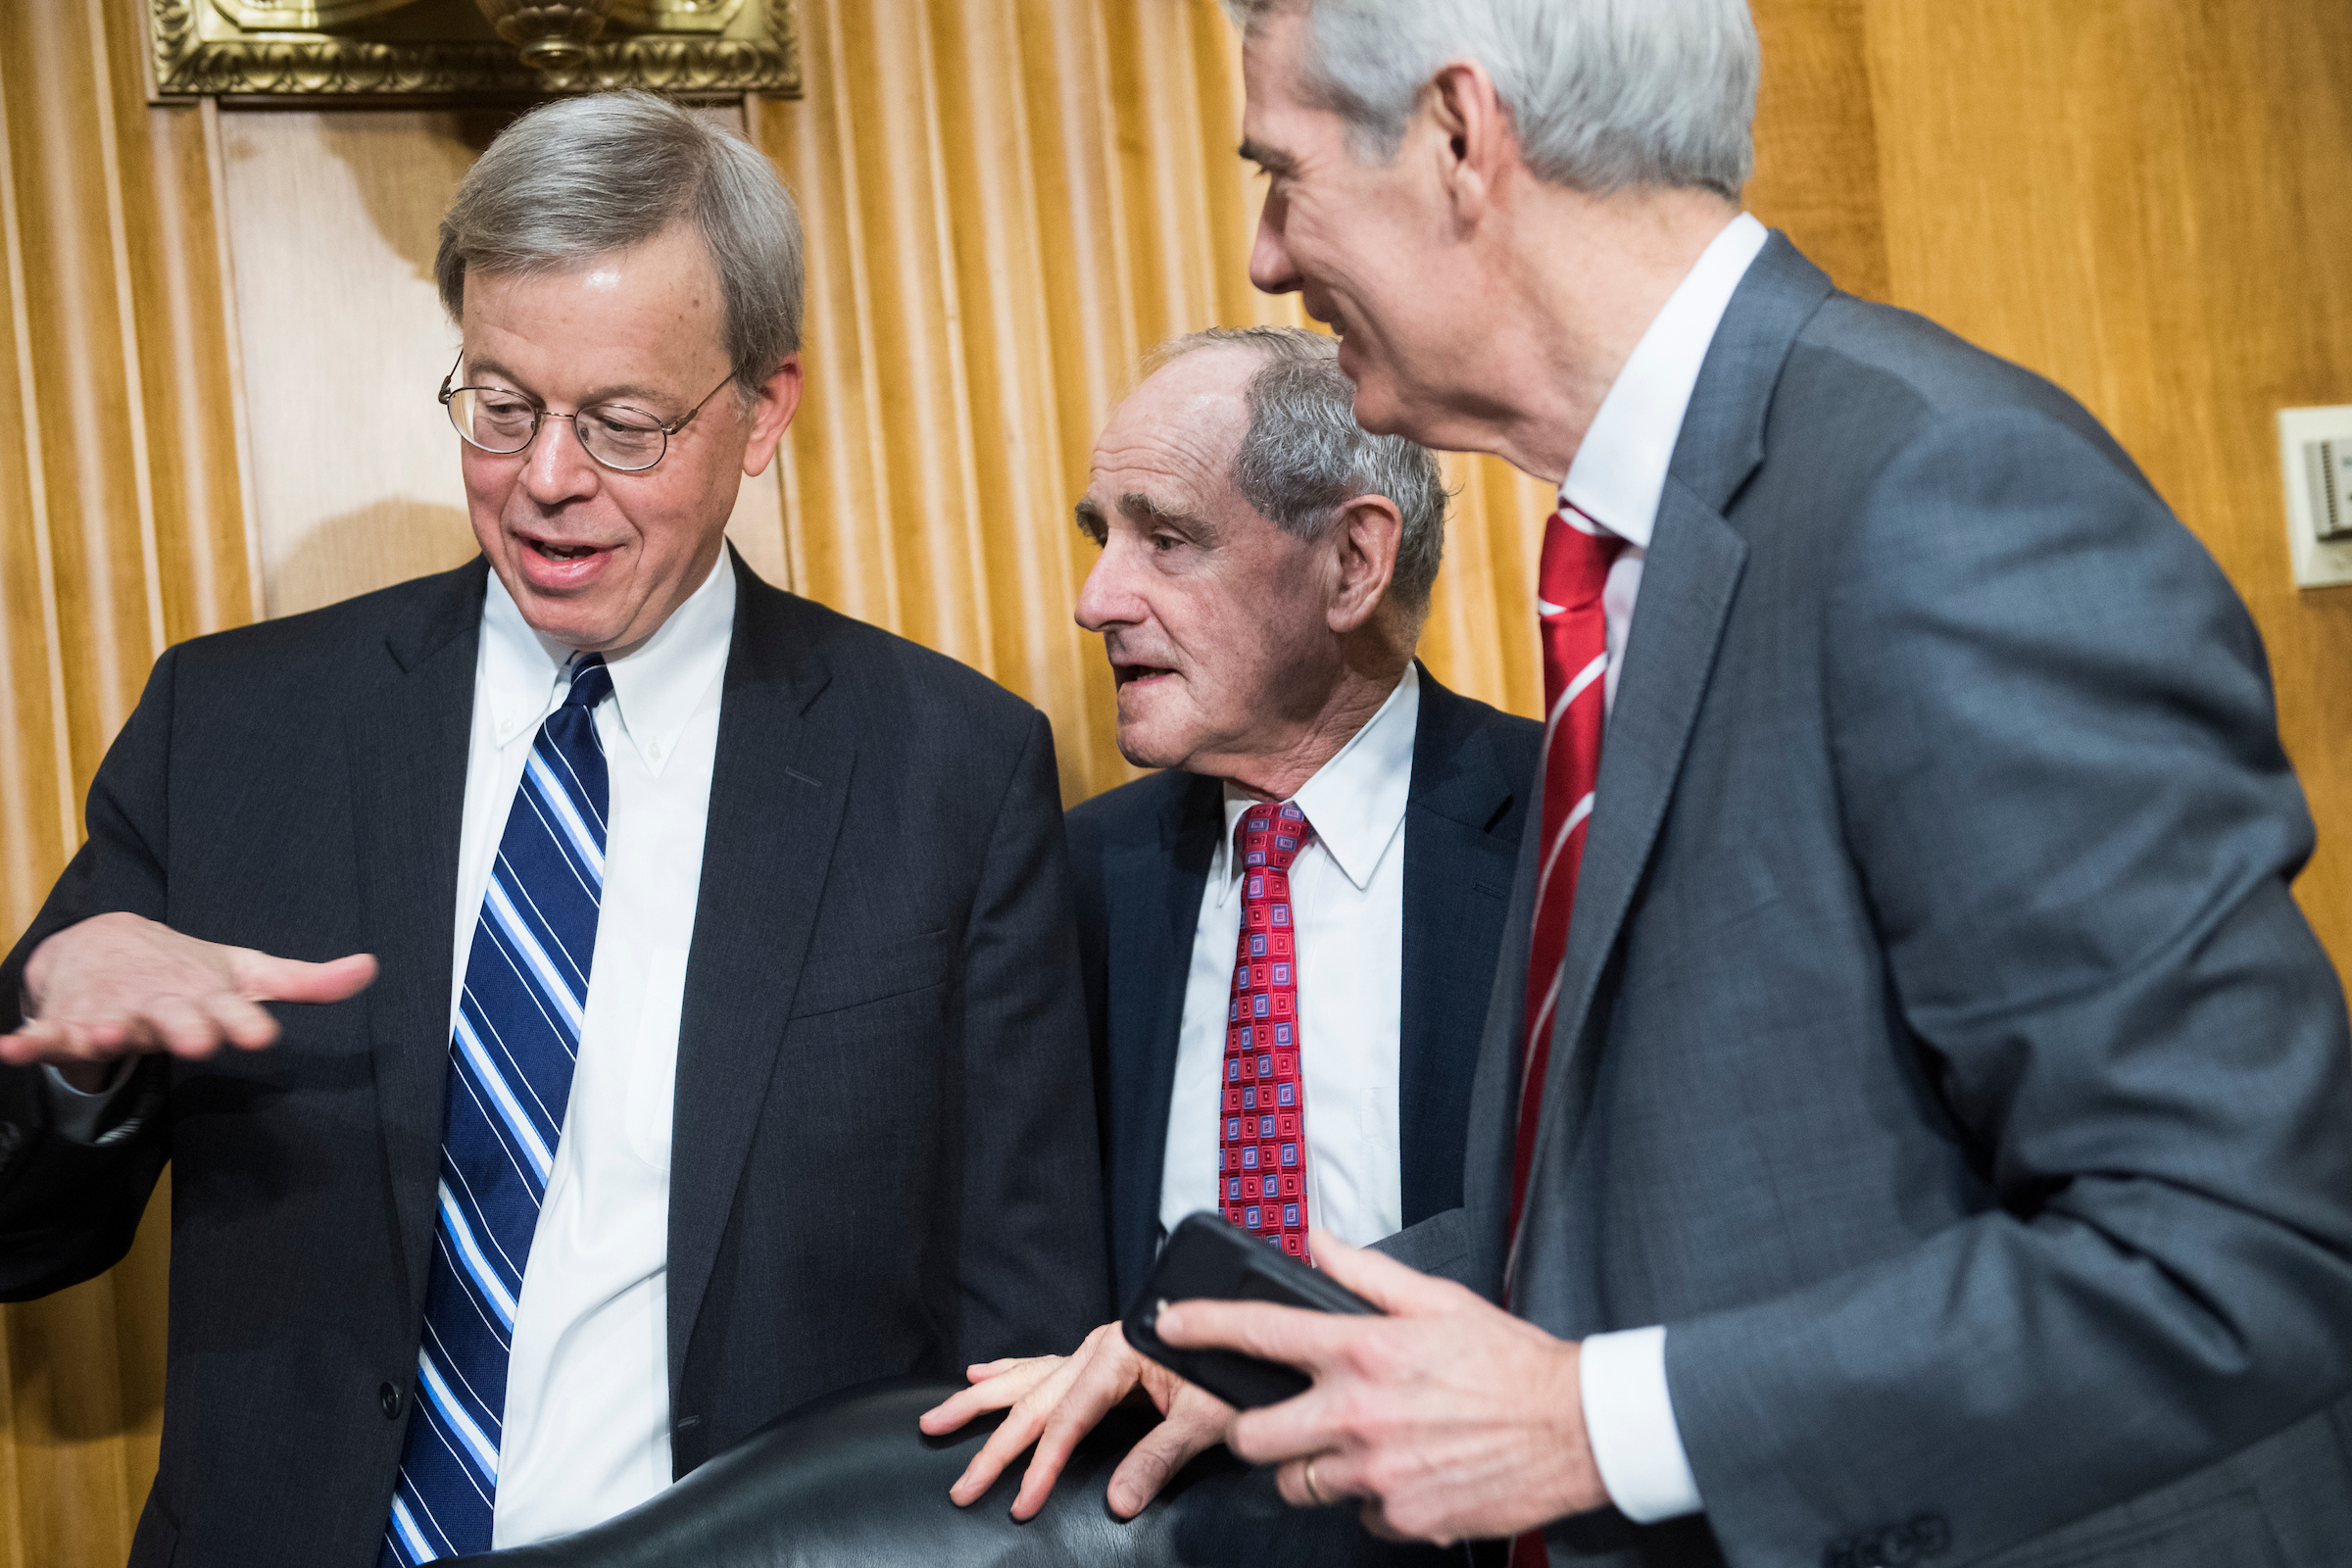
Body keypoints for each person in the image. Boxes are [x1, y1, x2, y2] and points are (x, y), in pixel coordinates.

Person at [1146, 3, 2352, 1566]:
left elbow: (2237, 1248)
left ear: (1459, 137)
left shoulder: (1942, 497)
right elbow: (1717, 1166)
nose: (1264, 255)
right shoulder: (1650, 548)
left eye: (1282, 172)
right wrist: (1272, 1335)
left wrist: (1594, 1423)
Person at [0, 91, 1104, 1568]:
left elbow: (1024, 1342)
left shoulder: (949, 774)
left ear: (763, 411)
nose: (547, 480)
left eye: (623, 423)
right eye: (501, 404)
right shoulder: (233, 731)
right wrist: (74, 1061)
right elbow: (24, 1234)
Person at [918, 327, 1540, 1521]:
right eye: (1104, 536)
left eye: (1170, 539)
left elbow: (1630, 1213)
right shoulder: (1073, 873)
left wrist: (1286, 1320)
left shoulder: (1573, 828)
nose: (1099, 598)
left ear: (1353, 564)